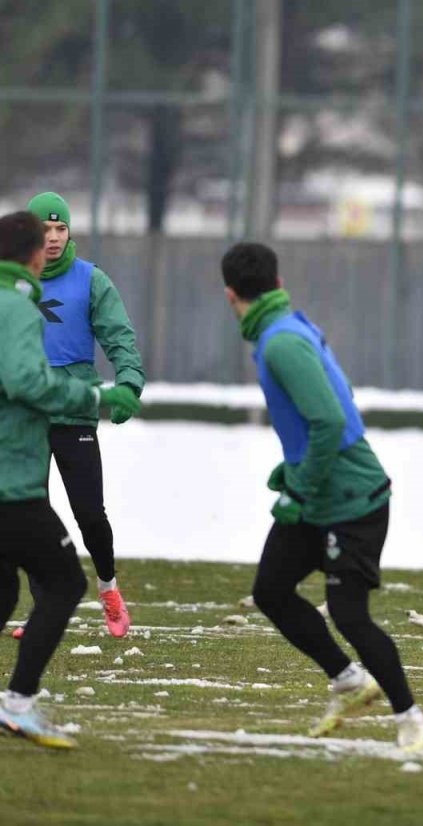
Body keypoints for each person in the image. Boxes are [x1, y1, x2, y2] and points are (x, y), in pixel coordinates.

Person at [220, 241, 423, 751]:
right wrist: (294, 466)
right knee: (271, 590)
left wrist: (301, 486)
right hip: (319, 494)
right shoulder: (291, 327)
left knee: (349, 614)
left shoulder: (281, 342)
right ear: (278, 282)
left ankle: (411, 716)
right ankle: (348, 681)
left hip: (354, 500)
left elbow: (332, 419)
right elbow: (339, 400)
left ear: (229, 296)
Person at [0, 210, 141, 748]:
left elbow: (120, 337)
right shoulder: (17, 305)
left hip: (40, 445)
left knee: (9, 582)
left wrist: (125, 379)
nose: (53, 243)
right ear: (33, 251)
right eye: (45, 236)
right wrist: (96, 396)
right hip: (13, 470)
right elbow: (26, 383)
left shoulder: (87, 281)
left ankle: (111, 586)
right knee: (61, 580)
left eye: (61, 231)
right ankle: (19, 703)